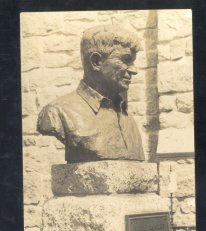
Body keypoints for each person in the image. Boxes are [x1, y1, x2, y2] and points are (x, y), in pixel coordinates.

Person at [37, 24, 145, 163]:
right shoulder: (58, 112)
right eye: (125, 60)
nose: (134, 70)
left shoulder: (126, 116)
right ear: (96, 61)